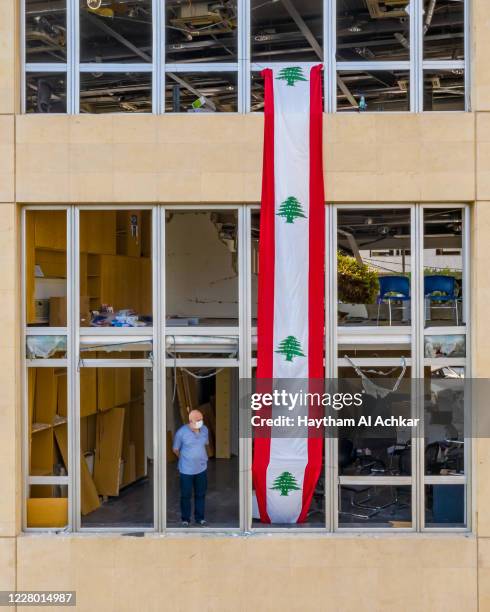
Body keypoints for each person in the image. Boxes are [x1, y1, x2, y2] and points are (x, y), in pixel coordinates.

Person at [172, 409, 209, 526]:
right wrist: (185, 458)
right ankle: (185, 519)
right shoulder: (181, 433)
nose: (200, 422)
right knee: (185, 495)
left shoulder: (205, 430)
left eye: (201, 419)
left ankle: (200, 518)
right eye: (198, 420)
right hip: (186, 470)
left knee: (200, 494)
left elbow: (205, 444)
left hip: (201, 468)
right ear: (190, 421)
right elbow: (175, 449)